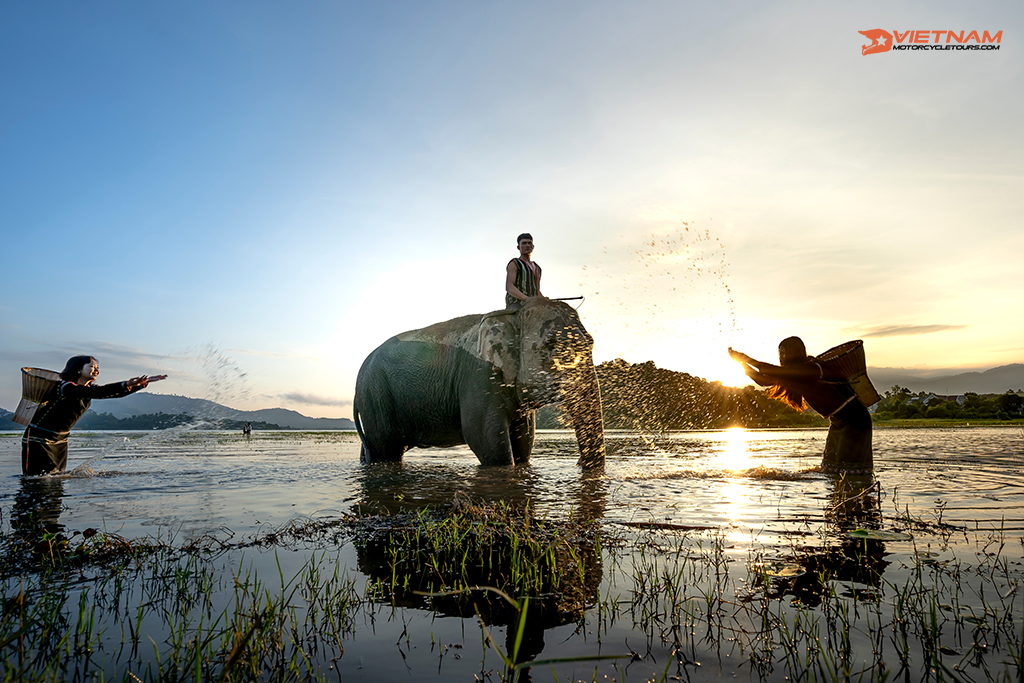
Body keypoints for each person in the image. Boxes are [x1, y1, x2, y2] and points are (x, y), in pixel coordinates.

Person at [729, 337, 872, 475]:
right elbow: (763, 380)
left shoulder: (814, 368)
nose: (781, 357)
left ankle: (859, 490)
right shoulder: (794, 373)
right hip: (838, 421)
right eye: (780, 353)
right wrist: (741, 363)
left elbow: (771, 371)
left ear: (794, 352)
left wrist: (746, 358)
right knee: (831, 469)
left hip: (854, 419)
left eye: (784, 352)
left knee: (848, 471)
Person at [21, 356, 166, 476]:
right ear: (78, 369)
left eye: (97, 367)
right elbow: (99, 393)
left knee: (55, 479)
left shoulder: (88, 388)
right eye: (91, 366)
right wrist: (127, 383)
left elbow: (110, 393)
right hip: (39, 438)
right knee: (35, 478)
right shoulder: (66, 387)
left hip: (60, 440)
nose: (96, 370)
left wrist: (141, 384)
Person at [505, 233, 543, 309]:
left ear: (533, 247)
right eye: (524, 243)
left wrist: (544, 299)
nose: (527, 245)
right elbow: (509, 287)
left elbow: (536, 289)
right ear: (518, 247)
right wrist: (527, 299)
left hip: (533, 305)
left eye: (529, 243)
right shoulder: (515, 263)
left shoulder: (537, 268)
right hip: (517, 303)